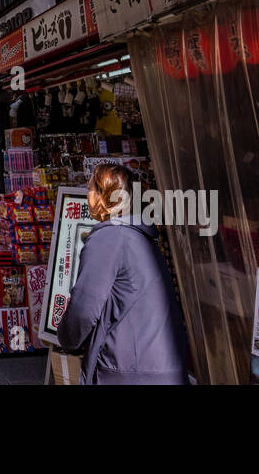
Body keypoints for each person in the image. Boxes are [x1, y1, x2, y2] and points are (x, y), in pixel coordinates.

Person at [56, 163, 191, 385]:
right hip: (163, 367)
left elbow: (84, 306)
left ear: (104, 195)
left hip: (130, 371)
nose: (86, 194)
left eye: (90, 188)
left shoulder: (109, 238)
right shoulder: (140, 234)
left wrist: (67, 339)